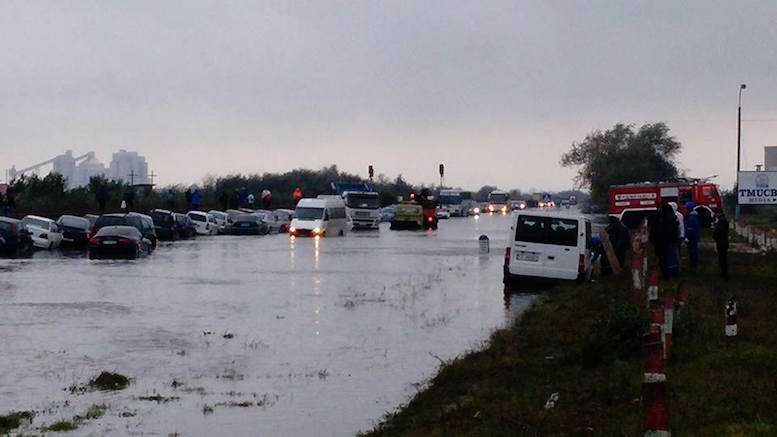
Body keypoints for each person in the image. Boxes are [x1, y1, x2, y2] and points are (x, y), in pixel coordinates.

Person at [650, 201, 678, 279]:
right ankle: (672, 272)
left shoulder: (663, 218)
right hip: (668, 241)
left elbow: (660, 230)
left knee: (664, 258)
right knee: (670, 257)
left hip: (663, 242)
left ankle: (666, 274)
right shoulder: (672, 216)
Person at [667, 202, 684, 275]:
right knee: (675, 252)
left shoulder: (677, 215)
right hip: (675, 237)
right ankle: (676, 267)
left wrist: (681, 235)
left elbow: (681, 226)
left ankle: (678, 268)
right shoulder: (674, 215)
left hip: (676, 237)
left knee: (676, 253)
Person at [712, 210, 729, 279]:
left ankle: (724, 273)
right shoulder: (723, 221)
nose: (716, 215)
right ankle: (723, 272)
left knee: (722, 258)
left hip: (721, 242)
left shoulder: (721, 222)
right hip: (723, 241)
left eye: (716, 213)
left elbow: (718, 232)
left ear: (720, 213)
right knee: (723, 258)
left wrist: (715, 237)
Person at [684, 201, 701, 267]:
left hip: (691, 237)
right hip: (695, 236)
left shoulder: (691, 217)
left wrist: (687, 237)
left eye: (686, 208)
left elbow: (690, 228)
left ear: (689, 209)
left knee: (692, 250)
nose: (685, 210)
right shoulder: (695, 216)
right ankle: (695, 261)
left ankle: (694, 263)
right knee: (695, 249)